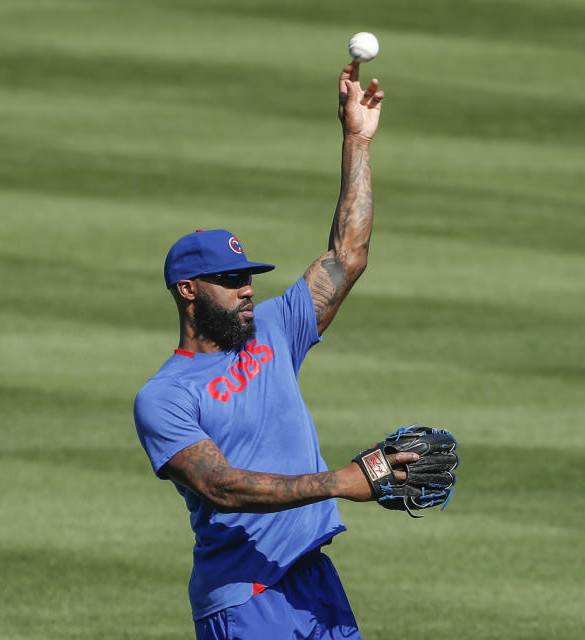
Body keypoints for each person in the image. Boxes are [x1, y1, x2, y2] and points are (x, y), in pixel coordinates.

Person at [134, 62, 413, 640]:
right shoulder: (165, 397)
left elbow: (346, 257)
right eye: (230, 279)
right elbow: (221, 486)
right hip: (245, 600)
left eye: (249, 276)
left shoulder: (273, 330)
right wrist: (341, 481)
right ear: (188, 290)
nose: (247, 288)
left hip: (314, 579)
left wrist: (356, 140)